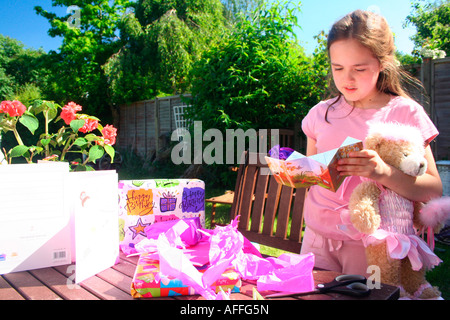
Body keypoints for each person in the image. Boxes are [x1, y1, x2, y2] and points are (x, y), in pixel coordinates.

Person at [300, 10, 443, 276]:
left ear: (382, 63)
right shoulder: (320, 113)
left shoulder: (405, 113)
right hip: (317, 238)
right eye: (337, 68)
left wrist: (383, 173)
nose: (347, 79)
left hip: (372, 245)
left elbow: (433, 189)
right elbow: (312, 175)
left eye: (359, 69)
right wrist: (296, 174)